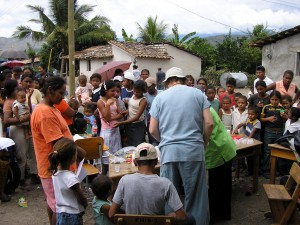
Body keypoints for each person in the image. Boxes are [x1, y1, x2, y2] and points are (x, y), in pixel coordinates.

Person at [149, 67, 213, 225]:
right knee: (196, 195)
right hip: (193, 150)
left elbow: (152, 129)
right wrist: (203, 142)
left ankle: (172, 222)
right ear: (183, 79)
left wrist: (164, 141)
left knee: (171, 196)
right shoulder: (198, 93)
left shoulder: (160, 98)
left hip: (169, 151)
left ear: (168, 82)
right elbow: (210, 123)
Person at [31, 76, 85, 225]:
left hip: (56, 167)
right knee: (59, 208)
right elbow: (58, 142)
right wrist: (81, 153)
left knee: (53, 203)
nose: (62, 97)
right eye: (61, 93)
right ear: (50, 91)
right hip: (54, 168)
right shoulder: (44, 113)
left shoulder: (51, 108)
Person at [109, 143, 193, 224]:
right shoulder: (166, 184)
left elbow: (111, 214)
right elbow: (182, 217)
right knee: (190, 218)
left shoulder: (124, 180)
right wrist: (171, 216)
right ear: (156, 161)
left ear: (135, 162)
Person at [3, 79, 38, 189]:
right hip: (18, 129)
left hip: (28, 128)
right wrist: (22, 119)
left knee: (33, 152)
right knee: (21, 155)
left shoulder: (22, 99)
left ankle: (34, 175)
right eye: (16, 87)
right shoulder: (9, 103)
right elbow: (6, 120)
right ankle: (21, 179)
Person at [205, 107, 236, 223]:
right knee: (224, 183)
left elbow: (208, 126)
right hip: (223, 147)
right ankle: (225, 213)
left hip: (217, 150)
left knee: (215, 186)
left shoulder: (202, 110)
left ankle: (214, 216)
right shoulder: (207, 106)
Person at [49, 138, 88, 225]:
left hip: (60, 212)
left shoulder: (55, 174)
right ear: (73, 157)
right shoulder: (71, 178)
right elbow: (80, 198)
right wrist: (85, 204)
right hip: (72, 215)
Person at [260, 91, 288, 178]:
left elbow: (286, 119)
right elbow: (261, 119)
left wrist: (283, 116)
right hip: (268, 131)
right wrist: (268, 118)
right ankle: (266, 170)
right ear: (270, 99)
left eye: (276, 99)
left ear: (279, 100)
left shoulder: (281, 107)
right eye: (272, 99)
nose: (274, 101)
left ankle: (275, 169)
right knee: (267, 151)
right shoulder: (266, 107)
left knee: (277, 151)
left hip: (279, 132)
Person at [114, 80, 147, 147]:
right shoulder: (133, 96)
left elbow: (136, 117)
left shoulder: (143, 100)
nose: (135, 93)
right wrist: (124, 112)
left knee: (138, 144)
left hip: (138, 125)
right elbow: (131, 109)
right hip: (130, 124)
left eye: (138, 92)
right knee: (130, 143)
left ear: (143, 91)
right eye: (134, 91)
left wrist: (121, 123)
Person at [98, 80, 123, 154]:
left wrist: (111, 119)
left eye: (115, 91)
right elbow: (106, 117)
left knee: (116, 151)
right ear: (106, 91)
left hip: (115, 129)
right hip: (107, 131)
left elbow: (120, 114)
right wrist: (108, 105)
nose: (115, 93)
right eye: (112, 91)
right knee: (107, 153)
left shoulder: (115, 100)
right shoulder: (100, 102)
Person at [144, 77, 162, 146]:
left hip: (162, 122)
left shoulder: (161, 93)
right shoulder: (145, 96)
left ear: (154, 85)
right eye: (146, 87)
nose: (147, 89)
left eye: (149, 87)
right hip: (151, 122)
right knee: (154, 143)